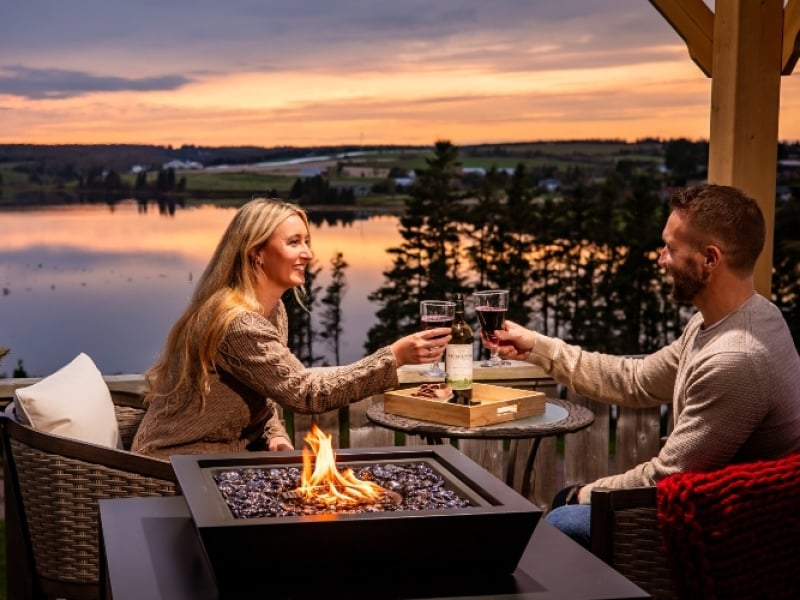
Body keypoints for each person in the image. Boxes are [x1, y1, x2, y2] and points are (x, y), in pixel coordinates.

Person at [491, 184, 800, 547]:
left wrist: (583, 493)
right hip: (705, 505)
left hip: (730, 534)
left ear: (710, 259)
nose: (661, 259)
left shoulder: (736, 358)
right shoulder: (733, 320)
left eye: (670, 248)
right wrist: (538, 348)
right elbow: (636, 379)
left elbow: (665, 480)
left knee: (563, 520)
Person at [133, 198, 451, 459]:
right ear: (257, 252)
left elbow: (266, 389)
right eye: (294, 242)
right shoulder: (238, 323)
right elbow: (305, 393)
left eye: (307, 242)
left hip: (226, 456)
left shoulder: (273, 310)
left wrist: (275, 437)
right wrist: (394, 357)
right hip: (177, 464)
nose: (308, 254)